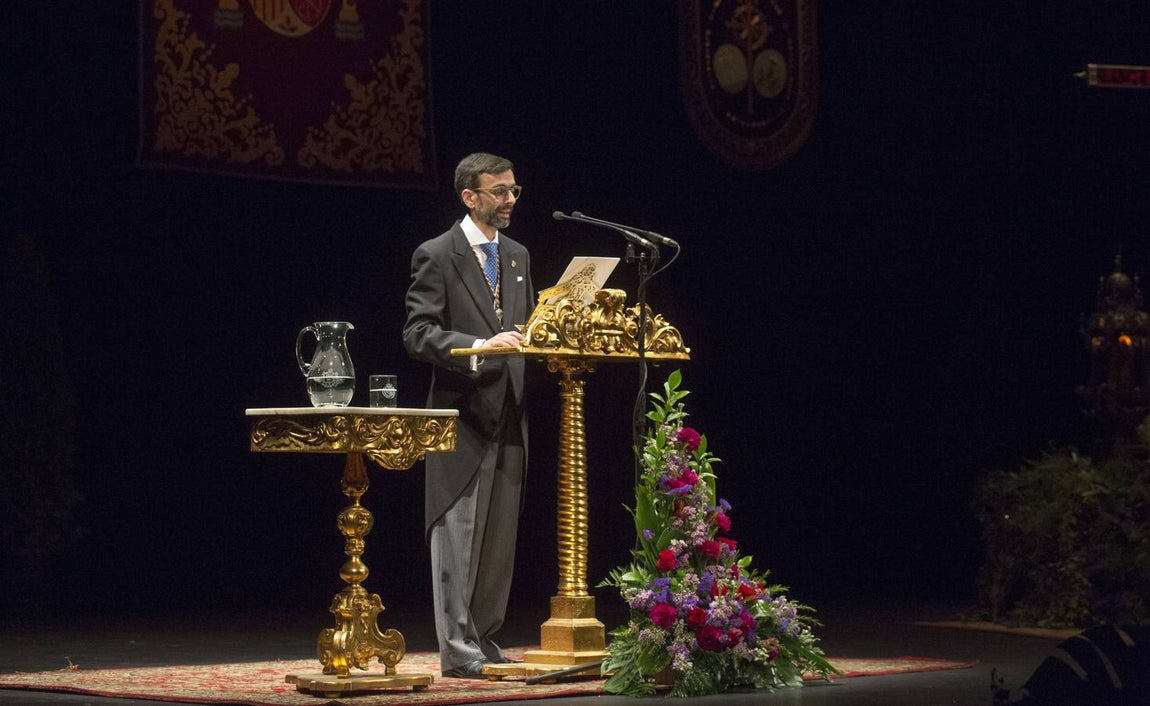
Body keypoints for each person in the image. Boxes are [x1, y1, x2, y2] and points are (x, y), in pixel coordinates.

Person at [402, 152, 534, 678]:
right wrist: (479, 346)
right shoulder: (438, 254)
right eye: (498, 191)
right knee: (456, 534)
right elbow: (418, 333)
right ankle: (457, 649)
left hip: (511, 411)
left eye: (513, 190)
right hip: (461, 415)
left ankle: (483, 638)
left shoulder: (518, 255)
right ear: (469, 196)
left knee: (499, 536)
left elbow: (524, 326)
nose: (509, 200)